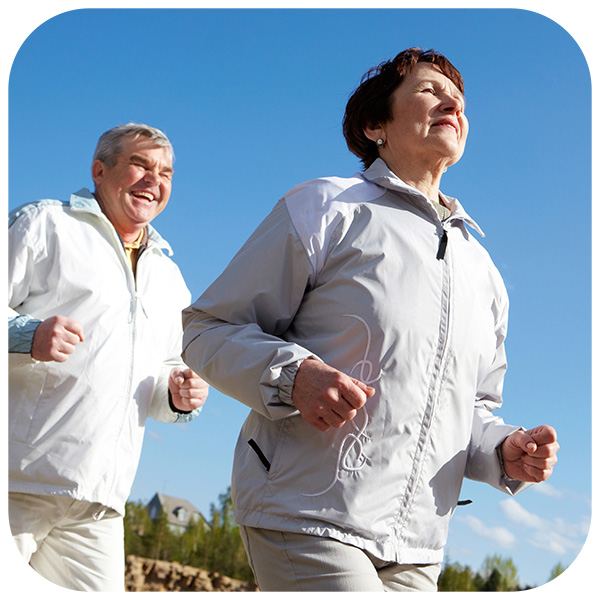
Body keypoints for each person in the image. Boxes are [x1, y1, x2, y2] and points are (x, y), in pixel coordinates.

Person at [181, 48, 559, 592]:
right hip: (305, 512)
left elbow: (469, 410)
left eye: (459, 98)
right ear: (374, 124)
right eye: (429, 90)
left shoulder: (485, 271)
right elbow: (207, 329)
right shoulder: (325, 207)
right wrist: (295, 377)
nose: (451, 100)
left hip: (418, 547)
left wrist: (504, 451)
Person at [8, 123, 209, 591]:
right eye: (140, 164)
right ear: (100, 170)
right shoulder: (45, 224)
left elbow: (159, 384)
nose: (153, 180)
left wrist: (180, 397)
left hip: (100, 502)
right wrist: (28, 335)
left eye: (165, 173)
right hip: (16, 483)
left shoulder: (170, 277)